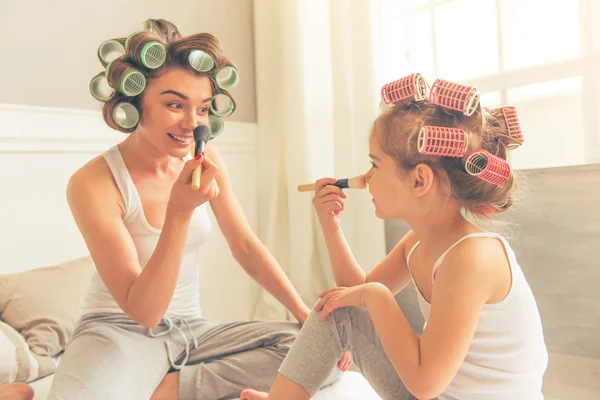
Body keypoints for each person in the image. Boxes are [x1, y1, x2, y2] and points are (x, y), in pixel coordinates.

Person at [47, 19, 347, 400]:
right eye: (174, 104)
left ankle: (165, 390)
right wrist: (180, 213)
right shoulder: (94, 182)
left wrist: (303, 313)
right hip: (118, 330)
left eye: (202, 108)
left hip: (192, 331)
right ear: (135, 103)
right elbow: (145, 313)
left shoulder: (204, 157)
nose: (192, 123)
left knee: (316, 351)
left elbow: (244, 246)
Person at [240, 74, 549, 400]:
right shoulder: (418, 241)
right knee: (336, 309)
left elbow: (426, 384)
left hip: (436, 392)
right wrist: (330, 227)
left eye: (375, 164)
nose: (367, 177)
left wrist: (376, 295)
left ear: (419, 181)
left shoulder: (470, 258)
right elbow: (353, 297)